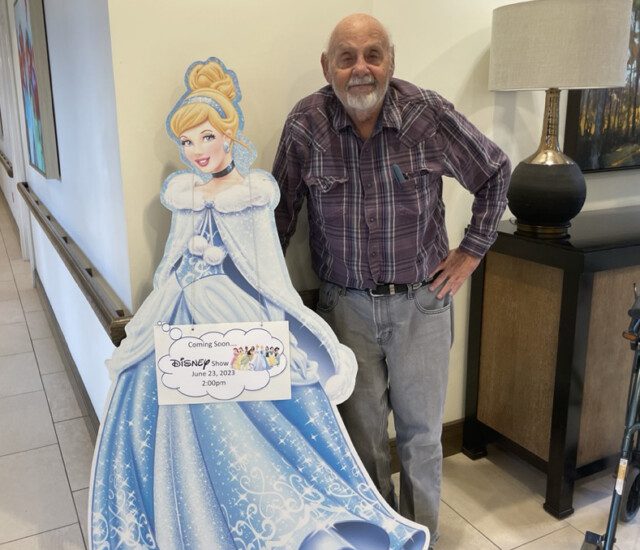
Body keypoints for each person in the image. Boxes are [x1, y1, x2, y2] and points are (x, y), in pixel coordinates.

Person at [89, 57, 430, 549]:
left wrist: (283, 326)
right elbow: (169, 260)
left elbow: (267, 269)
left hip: (229, 311)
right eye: (188, 141)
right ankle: (189, 510)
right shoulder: (185, 195)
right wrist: (152, 311)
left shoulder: (251, 193)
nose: (197, 150)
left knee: (246, 423)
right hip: (181, 308)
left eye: (205, 136)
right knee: (178, 410)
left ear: (227, 135)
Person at [273, 14, 510, 541]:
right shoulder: (304, 125)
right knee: (363, 439)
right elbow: (277, 218)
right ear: (327, 66)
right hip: (344, 310)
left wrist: (471, 252)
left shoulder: (427, 114)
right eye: (347, 56)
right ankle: (380, 537)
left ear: (390, 61)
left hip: (422, 304)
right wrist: (265, 294)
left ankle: (420, 536)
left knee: (423, 438)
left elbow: (495, 172)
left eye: (373, 55)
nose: (361, 68)